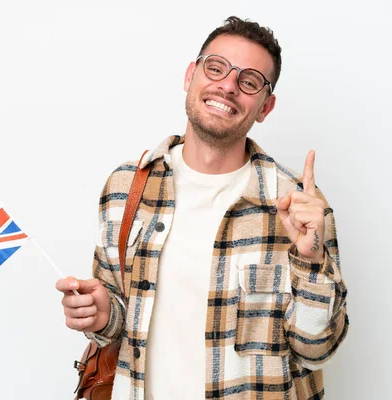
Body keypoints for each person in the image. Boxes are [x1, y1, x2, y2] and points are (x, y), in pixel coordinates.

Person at [56, 16, 349, 400]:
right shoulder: (126, 188)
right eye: (216, 68)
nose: (227, 86)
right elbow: (117, 319)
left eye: (248, 82)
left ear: (265, 106)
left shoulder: (299, 206)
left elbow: (317, 350)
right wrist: (102, 314)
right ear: (190, 75)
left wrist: (310, 261)